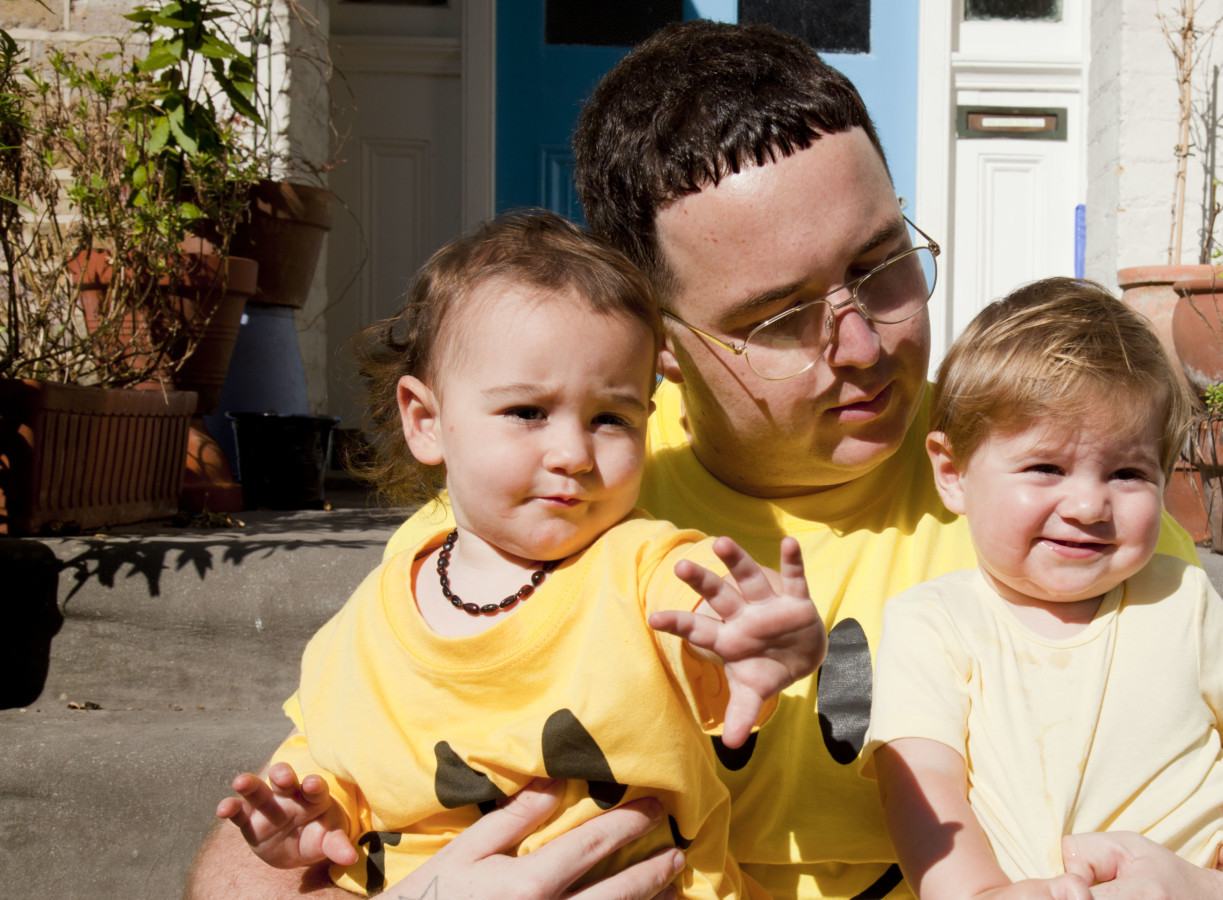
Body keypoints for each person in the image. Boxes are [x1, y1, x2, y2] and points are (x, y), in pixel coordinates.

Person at [186, 20, 1223, 900]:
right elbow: (254, 854)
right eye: (774, 319)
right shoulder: (560, 498)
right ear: (657, 346)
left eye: (882, 262)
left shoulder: (1050, 498)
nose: (862, 343)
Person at [209, 211, 826, 896]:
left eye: (611, 419)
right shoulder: (360, 631)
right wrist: (306, 818)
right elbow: (334, 770)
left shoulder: (643, 565)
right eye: (528, 412)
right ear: (425, 421)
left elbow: (705, 612)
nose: (572, 454)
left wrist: (753, 639)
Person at [864, 279, 1223, 900]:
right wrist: (976, 893)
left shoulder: (1180, 596)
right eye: (1045, 467)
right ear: (953, 474)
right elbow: (922, 781)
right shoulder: (934, 622)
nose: (1086, 504)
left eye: (1128, 472)